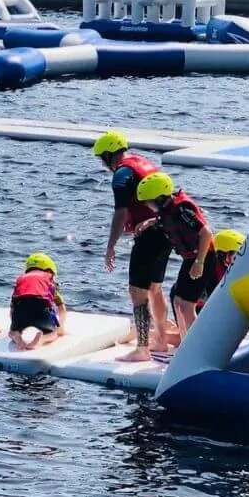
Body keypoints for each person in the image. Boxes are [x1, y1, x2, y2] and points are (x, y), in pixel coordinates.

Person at [94, 130, 173, 361]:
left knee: (137, 292)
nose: (102, 163)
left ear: (109, 155)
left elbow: (120, 212)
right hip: (165, 230)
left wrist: (111, 246)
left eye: (102, 158)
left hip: (149, 236)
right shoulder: (141, 162)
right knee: (155, 288)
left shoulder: (121, 175)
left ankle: (142, 348)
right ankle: (160, 340)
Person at [140, 171, 213, 350]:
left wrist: (200, 262)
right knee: (178, 301)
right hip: (190, 258)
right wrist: (151, 222)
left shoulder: (182, 210)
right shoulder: (167, 210)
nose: (148, 205)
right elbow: (167, 221)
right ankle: (185, 343)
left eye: (149, 202)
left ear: (159, 198)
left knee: (187, 305)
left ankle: (197, 347)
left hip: (203, 257)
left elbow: (206, 233)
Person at [171, 228, 243, 338]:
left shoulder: (228, 270)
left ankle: (170, 332)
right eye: (234, 256)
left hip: (204, 307)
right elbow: (193, 305)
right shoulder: (207, 273)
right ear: (221, 254)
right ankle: (162, 336)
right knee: (184, 339)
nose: (237, 261)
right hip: (193, 307)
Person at [9, 252, 67, 350]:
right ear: (50, 270)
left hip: (20, 310)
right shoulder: (48, 279)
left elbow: (12, 307)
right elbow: (61, 308)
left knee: (13, 332)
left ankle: (17, 337)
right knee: (54, 333)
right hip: (40, 310)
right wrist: (59, 327)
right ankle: (42, 339)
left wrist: (14, 325)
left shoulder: (21, 279)